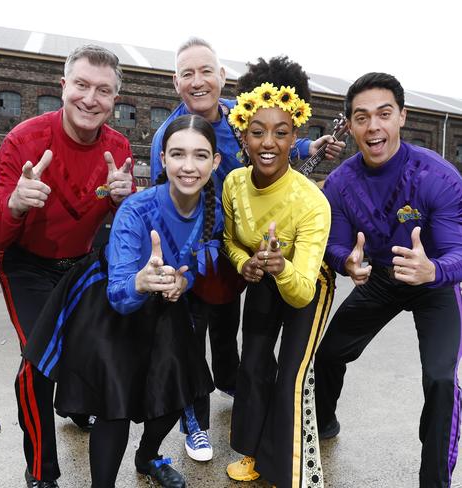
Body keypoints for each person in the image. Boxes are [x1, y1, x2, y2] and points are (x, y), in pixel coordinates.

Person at [149, 38, 344, 461]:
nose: (198, 82)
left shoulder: (248, 112)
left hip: (258, 255)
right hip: (204, 254)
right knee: (193, 337)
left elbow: (277, 131)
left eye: (207, 71)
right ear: (175, 82)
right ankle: (196, 421)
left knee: (230, 329)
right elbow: (159, 203)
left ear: (222, 78)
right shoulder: (169, 134)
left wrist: (311, 148)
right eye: (187, 73)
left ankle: (240, 387)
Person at [24, 114, 220, 488]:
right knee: (113, 406)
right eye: (178, 154)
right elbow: (119, 296)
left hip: (165, 303)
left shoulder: (214, 209)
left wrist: (184, 279)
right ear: (162, 159)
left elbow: (205, 252)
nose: (189, 166)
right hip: (113, 304)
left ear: (215, 162)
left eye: (200, 155)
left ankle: (147, 457)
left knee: (180, 391)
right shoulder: (136, 210)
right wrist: (142, 282)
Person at [0, 45, 134, 488]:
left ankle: (77, 405)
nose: (90, 98)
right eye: (81, 85)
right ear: (63, 87)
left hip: (80, 265)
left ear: (114, 101)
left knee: (99, 351)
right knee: (37, 366)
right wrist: (16, 203)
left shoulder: (118, 148)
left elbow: (127, 228)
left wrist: (125, 202)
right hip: (27, 265)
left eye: (103, 90)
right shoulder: (24, 141)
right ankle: (42, 471)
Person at [314, 72, 462, 488]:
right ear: (350, 125)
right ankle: (325, 423)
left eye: (383, 114)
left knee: (441, 379)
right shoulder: (341, 183)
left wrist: (434, 269)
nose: (373, 126)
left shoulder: (438, 176)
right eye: (361, 117)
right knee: (326, 356)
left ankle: (434, 480)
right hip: (381, 277)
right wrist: (348, 263)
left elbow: (458, 252)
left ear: (402, 117)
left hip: (434, 283)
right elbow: (336, 243)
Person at [222, 58, 334, 488]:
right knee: (252, 364)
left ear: (295, 138)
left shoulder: (311, 202)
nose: (268, 142)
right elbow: (232, 241)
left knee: (291, 374)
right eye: (257, 132)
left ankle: (292, 474)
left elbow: (303, 290)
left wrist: (280, 265)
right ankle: (253, 451)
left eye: (281, 132)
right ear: (243, 136)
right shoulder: (233, 183)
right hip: (262, 274)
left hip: (308, 279)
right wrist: (244, 263)